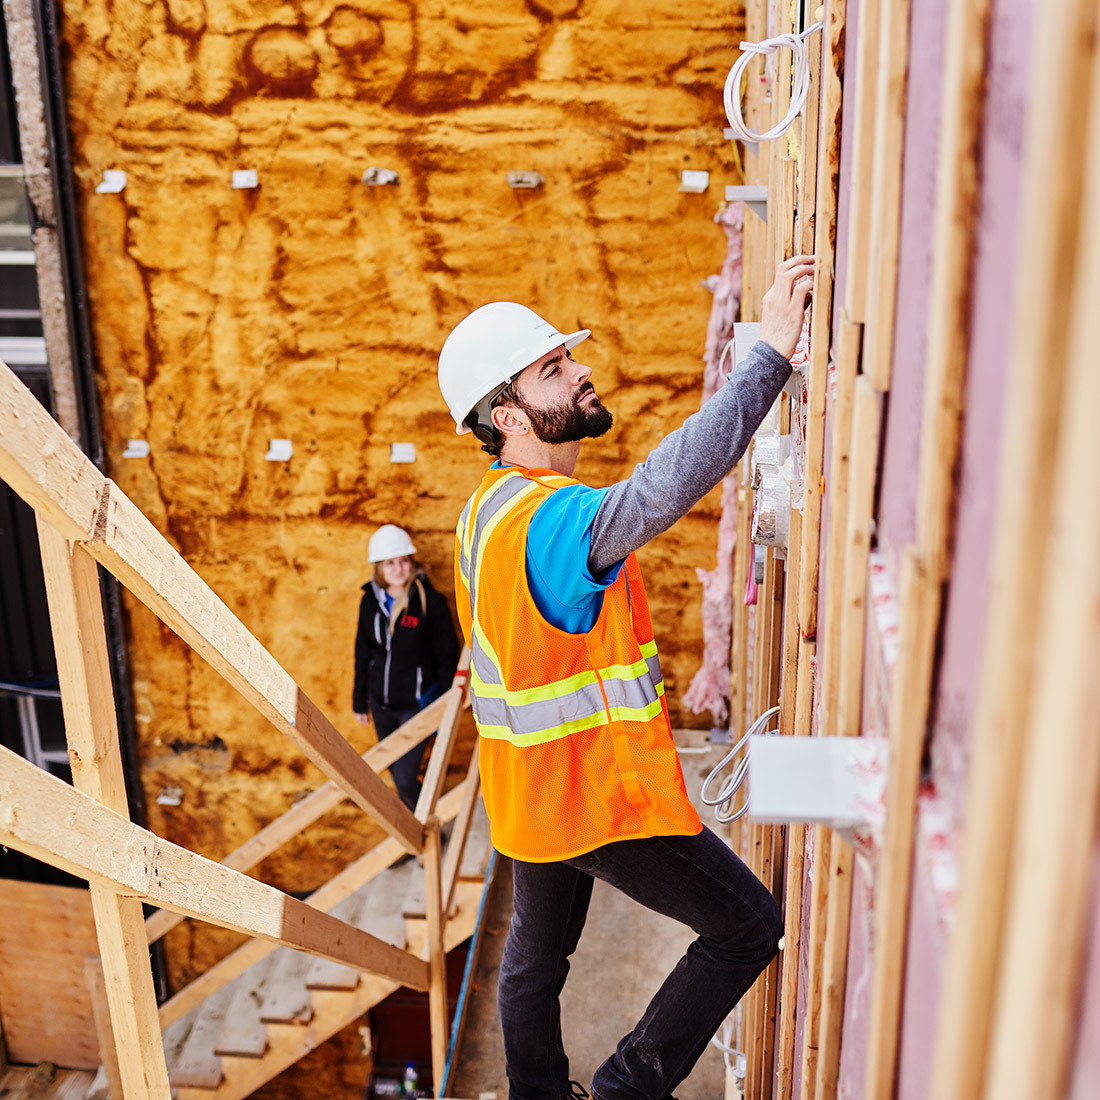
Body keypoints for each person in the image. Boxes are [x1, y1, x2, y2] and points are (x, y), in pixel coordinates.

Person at [435, 254, 815, 1100]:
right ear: (511, 415)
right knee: (748, 928)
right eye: (554, 368)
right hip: (595, 796)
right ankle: (626, 1088)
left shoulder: (487, 507)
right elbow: (659, 490)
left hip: (530, 795)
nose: (581, 371)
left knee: (534, 966)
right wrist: (771, 358)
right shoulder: (553, 523)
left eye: (569, 358)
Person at [352, 524, 460, 811]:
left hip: (415, 707)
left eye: (403, 561)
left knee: (404, 778)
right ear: (378, 567)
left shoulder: (430, 602)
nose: (398, 569)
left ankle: (424, 827)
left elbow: (447, 654)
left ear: (411, 563)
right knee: (393, 770)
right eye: (390, 563)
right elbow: (362, 652)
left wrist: (447, 704)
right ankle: (419, 830)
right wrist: (359, 702)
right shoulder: (369, 602)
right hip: (381, 705)